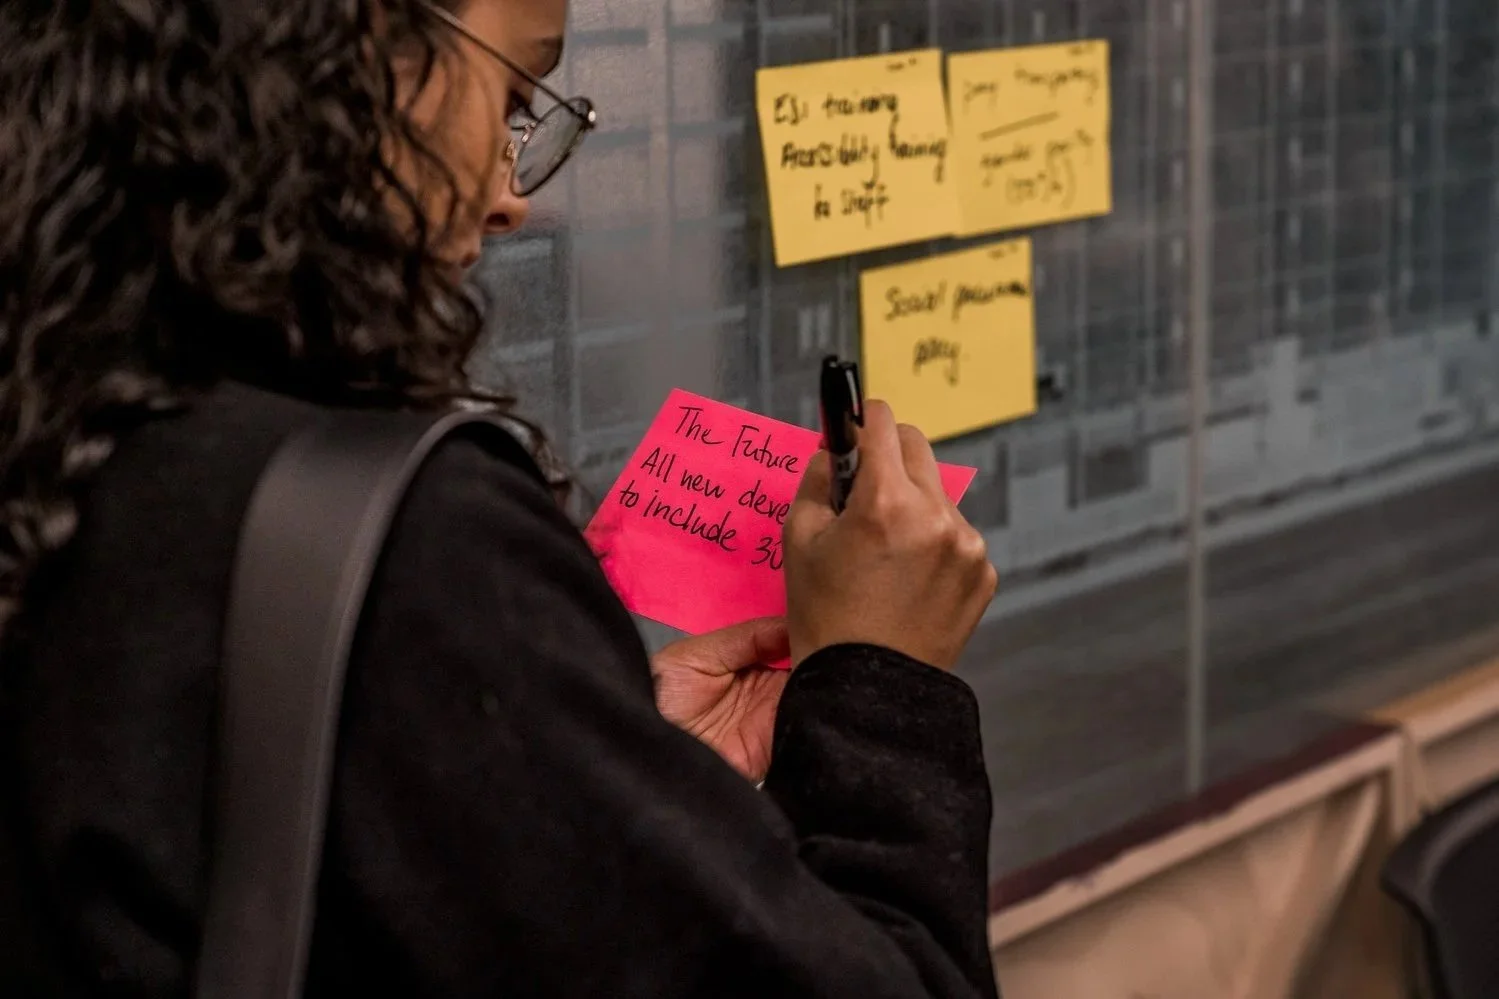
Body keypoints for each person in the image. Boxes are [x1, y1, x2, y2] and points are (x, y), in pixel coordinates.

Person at [0, 0, 1002, 996]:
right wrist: (883, 691)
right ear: (346, 50)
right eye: (516, 91)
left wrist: (590, 757)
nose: (511, 196)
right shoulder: (394, 548)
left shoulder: (74, 425)